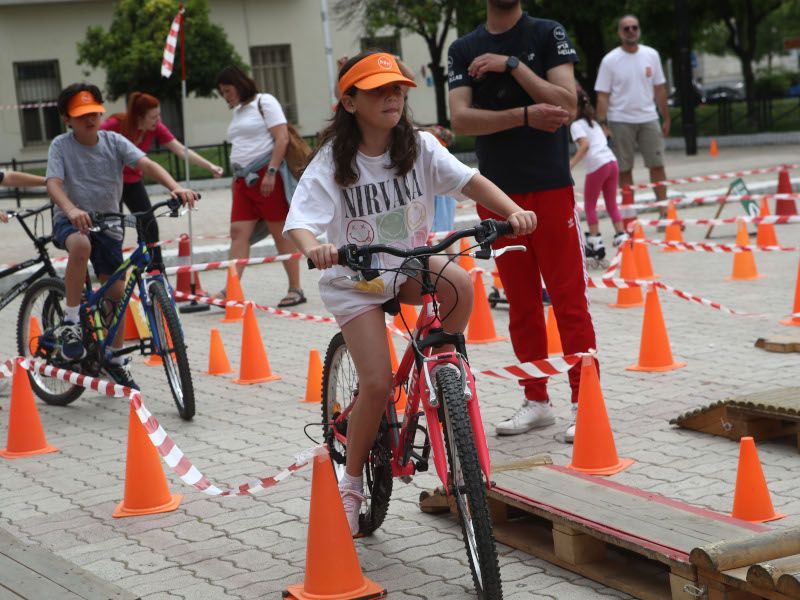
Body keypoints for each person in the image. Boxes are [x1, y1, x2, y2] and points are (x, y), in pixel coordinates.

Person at [284, 50, 536, 534]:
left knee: (460, 283)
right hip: (354, 280)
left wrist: (513, 212)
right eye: (379, 89)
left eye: (398, 87)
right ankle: (352, 479)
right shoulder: (332, 162)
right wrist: (315, 248)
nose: (393, 96)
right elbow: (301, 222)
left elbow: (470, 181)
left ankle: (445, 370)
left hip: (407, 265)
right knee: (377, 385)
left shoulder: (419, 147)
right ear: (350, 101)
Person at [448, 0, 596, 442]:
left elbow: (566, 103)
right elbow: (461, 119)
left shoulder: (547, 33)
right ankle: (536, 400)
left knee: (569, 299)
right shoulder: (463, 48)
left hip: (549, 187)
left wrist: (513, 66)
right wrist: (526, 115)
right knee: (521, 303)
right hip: (496, 192)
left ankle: (585, 401)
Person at [46, 83, 198, 389]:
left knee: (117, 293)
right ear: (67, 119)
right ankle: (72, 321)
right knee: (80, 244)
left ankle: (114, 359)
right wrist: (71, 209)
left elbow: (146, 163)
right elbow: (53, 184)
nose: (89, 120)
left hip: (109, 226)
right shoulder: (61, 146)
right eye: (81, 115)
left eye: (94, 114)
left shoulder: (114, 141)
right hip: (72, 221)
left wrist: (175, 187)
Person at [215, 66, 304, 308]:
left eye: (228, 90)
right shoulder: (239, 111)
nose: (226, 96)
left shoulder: (265, 101)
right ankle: (231, 288)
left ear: (239, 83)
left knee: (279, 232)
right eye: (223, 93)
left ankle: (295, 287)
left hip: (266, 175)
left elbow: (282, 138)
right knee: (238, 232)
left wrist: (272, 172)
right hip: (243, 181)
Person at [100, 92, 223, 266]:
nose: (158, 120)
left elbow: (180, 150)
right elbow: (89, 139)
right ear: (139, 117)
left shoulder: (156, 127)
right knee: (115, 229)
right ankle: (112, 271)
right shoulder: (115, 124)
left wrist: (210, 166)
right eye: (154, 116)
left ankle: (156, 270)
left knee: (149, 224)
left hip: (133, 182)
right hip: (111, 183)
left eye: (159, 115)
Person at [595, 14, 670, 211]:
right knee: (624, 169)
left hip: (649, 117)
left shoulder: (651, 55)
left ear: (639, 30)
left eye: (634, 27)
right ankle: (630, 215)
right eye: (626, 28)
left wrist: (666, 117)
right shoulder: (610, 60)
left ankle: (664, 210)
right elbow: (602, 95)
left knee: (657, 165)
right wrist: (602, 125)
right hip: (620, 120)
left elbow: (660, 89)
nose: (631, 31)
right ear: (620, 33)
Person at [569, 89, 627, 266]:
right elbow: (608, 136)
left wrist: (570, 165)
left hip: (597, 164)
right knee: (611, 203)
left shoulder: (576, 125)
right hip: (611, 161)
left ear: (576, 106)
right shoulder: (593, 122)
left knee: (590, 205)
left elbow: (585, 145)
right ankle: (622, 236)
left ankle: (595, 241)